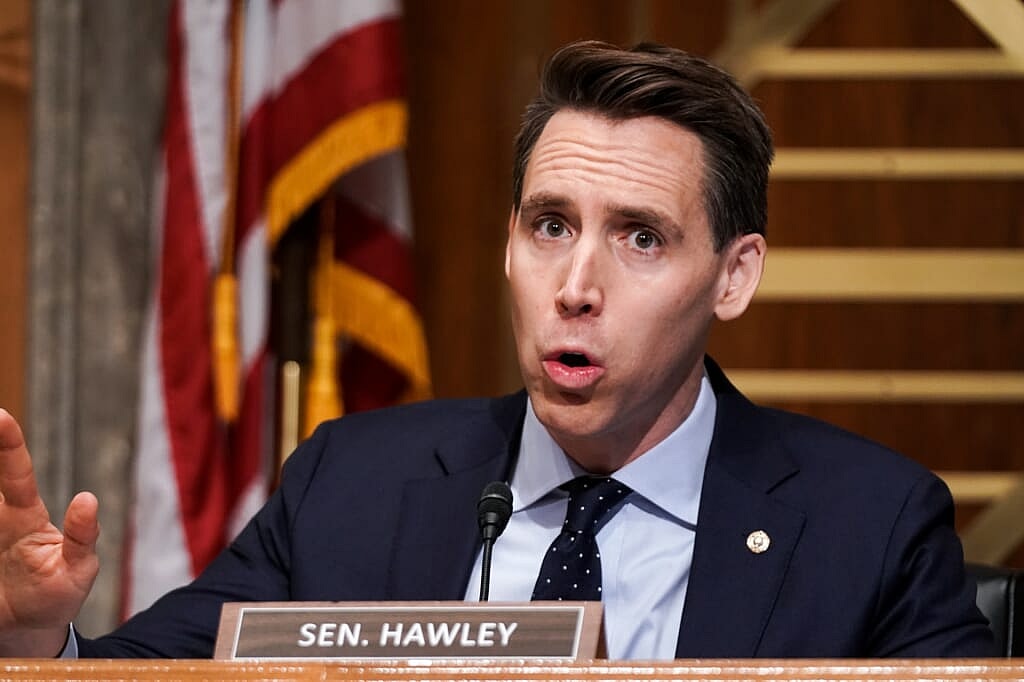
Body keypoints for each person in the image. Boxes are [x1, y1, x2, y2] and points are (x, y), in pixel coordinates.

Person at [0, 40, 995, 660]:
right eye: (550, 225)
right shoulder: (353, 482)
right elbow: (159, 672)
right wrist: (40, 641)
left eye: (640, 236)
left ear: (733, 276)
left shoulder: (870, 526)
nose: (576, 285)